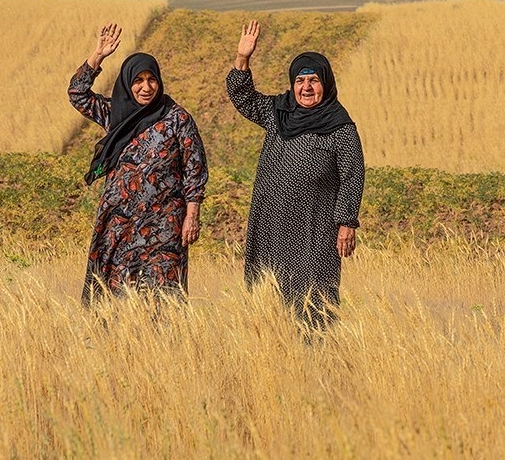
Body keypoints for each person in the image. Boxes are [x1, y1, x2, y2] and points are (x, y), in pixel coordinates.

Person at [226, 20, 365, 331]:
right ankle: (276, 358)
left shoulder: (341, 127)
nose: (306, 88)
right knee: (269, 297)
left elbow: (352, 175)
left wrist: (346, 222)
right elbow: (242, 98)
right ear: (291, 84)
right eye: (300, 81)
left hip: (314, 229)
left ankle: (319, 358)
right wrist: (242, 58)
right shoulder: (278, 113)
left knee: (314, 298)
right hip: (272, 226)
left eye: (314, 80)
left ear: (326, 84)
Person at [68, 23, 208, 306]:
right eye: (138, 80)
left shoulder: (177, 118)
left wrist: (191, 216)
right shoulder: (115, 114)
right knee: (115, 296)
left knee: (162, 298)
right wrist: (97, 56)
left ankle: (162, 348)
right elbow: (77, 94)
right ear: (128, 83)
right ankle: (120, 345)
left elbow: (195, 170)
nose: (146, 87)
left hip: (165, 224)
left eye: (151, 79)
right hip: (120, 221)